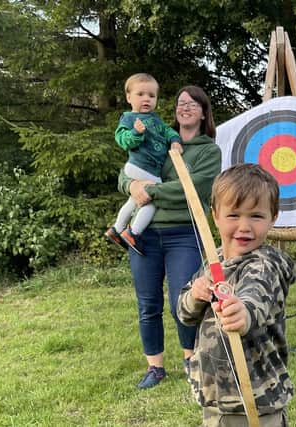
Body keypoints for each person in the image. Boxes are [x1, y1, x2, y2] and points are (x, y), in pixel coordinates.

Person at [177, 163, 296, 426]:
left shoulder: (266, 264)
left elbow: (257, 296)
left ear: (273, 217)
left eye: (256, 216)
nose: (244, 226)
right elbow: (184, 315)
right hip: (216, 402)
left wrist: (242, 312)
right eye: (233, 215)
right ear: (215, 216)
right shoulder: (213, 260)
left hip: (258, 401)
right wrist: (195, 295)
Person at [117, 85, 221, 389]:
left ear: (203, 112)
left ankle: (191, 361)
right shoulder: (158, 137)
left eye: (192, 104)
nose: (184, 108)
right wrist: (129, 187)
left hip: (184, 234)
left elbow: (195, 189)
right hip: (144, 235)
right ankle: (155, 368)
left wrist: (149, 191)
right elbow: (128, 171)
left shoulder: (208, 151)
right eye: (180, 103)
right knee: (148, 303)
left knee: (183, 301)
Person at [106, 73, 184, 255]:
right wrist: (136, 132)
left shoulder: (156, 119)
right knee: (152, 201)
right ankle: (134, 233)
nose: (146, 99)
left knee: (134, 199)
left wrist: (174, 140)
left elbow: (168, 131)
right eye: (140, 94)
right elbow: (123, 140)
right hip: (141, 167)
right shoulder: (129, 118)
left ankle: (117, 229)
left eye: (151, 95)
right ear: (128, 98)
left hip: (146, 169)